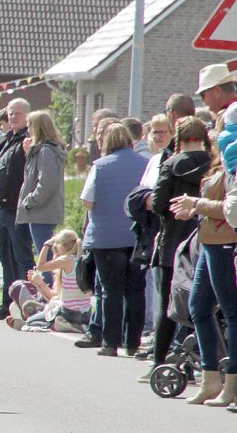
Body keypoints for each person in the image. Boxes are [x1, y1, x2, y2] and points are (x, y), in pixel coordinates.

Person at [172, 109, 237, 406]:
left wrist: (196, 203)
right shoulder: (223, 159)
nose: (217, 132)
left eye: (221, 127)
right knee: (198, 307)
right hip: (209, 240)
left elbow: (230, 208)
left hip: (225, 242)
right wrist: (194, 208)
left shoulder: (232, 163)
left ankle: (231, 383)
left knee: (231, 311)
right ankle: (209, 376)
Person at [141, 117, 211, 382]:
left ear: (178, 139)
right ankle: (199, 360)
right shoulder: (212, 163)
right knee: (201, 304)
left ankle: (159, 361)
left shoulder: (170, 164)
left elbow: (158, 203)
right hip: (202, 240)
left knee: (167, 304)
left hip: (172, 240)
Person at [80, 124, 149, 356]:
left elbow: (87, 200)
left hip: (106, 236)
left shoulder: (100, 166)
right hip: (136, 235)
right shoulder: (144, 163)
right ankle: (132, 343)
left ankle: (110, 343)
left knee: (111, 290)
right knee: (136, 289)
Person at [0, 98, 34, 320]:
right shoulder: (7, 139)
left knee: (21, 257)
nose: (13, 117)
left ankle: (27, 303)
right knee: (5, 256)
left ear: (28, 117)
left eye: (19, 114)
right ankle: (8, 302)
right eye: (11, 113)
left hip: (16, 207)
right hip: (1, 207)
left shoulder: (28, 140)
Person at [8, 230, 92, 332]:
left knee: (31, 321)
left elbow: (40, 266)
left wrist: (46, 245)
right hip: (85, 314)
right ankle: (74, 324)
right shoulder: (83, 260)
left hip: (67, 312)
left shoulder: (66, 260)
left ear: (62, 246)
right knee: (52, 304)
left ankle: (57, 323)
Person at [16, 110, 67, 253]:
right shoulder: (43, 150)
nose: (28, 130)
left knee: (45, 259)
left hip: (43, 214)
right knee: (45, 256)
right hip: (43, 213)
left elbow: (47, 184)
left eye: (29, 126)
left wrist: (29, 201)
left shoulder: (46, 151)